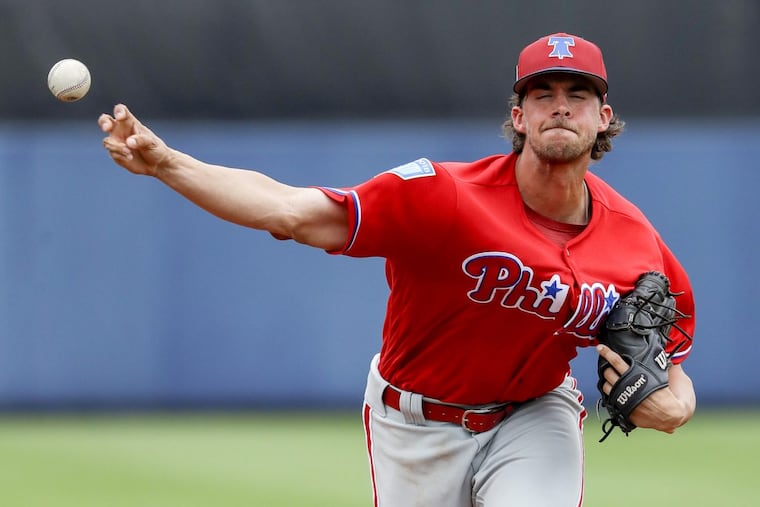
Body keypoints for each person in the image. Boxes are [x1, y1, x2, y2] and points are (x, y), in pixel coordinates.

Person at [99, 32, 696, 507]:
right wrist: (168, 164)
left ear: (603, 116)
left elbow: (669, 357)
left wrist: (680, 403)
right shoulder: (442, 195)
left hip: (535, 414)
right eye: (543, 93)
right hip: (414, 422)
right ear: (518, 116)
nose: (560, 106)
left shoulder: (635, 242)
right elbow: (289, 212)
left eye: (578, 94)